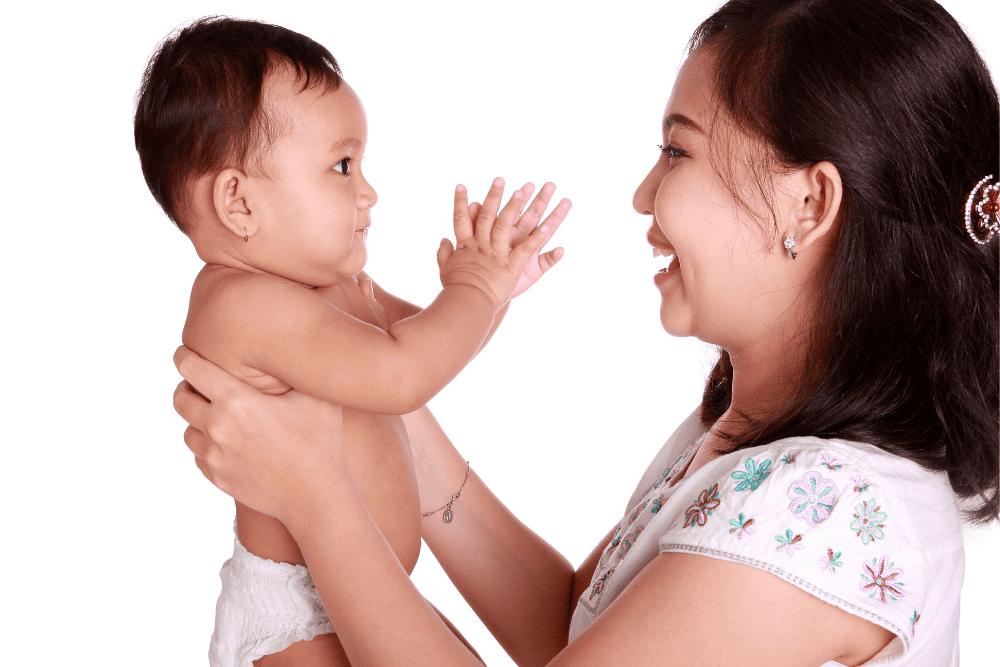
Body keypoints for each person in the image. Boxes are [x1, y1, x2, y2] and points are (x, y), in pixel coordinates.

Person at [173, 0, 999, 664]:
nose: (643, 196)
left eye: (678, 153)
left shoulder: (827, 518)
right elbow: (576, 624)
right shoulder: (747, 425)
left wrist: (315, 494)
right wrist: (358, 394)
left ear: (809, 204)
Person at [134, 17, 570, 667]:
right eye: (342, 165)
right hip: (295, 614)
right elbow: (403, 375)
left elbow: (426, 344)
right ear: (239, 203)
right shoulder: (240, 304)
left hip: (363, 584)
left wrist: (493, 292)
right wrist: (474, 289)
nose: (369, 191)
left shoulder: (336, 284)